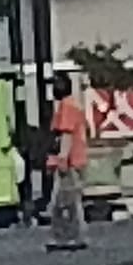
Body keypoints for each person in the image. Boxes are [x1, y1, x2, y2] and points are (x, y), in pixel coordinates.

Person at [45, 72, 89, 251]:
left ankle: (67, 238)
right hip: (74, 160)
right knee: (68, 202)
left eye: (55, 85)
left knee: (63, 203)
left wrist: (62, 158)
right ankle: (71, 236)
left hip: (70, 162)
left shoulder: (67, 106)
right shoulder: (72, 105)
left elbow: (66, 134)